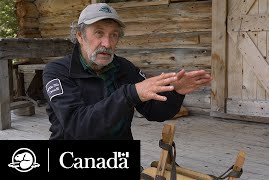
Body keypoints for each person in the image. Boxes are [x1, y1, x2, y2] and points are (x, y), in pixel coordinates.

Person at [42, 3, 212, 140]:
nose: (107, 44)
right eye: (99, 33)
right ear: (80, 36)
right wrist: (130, 94)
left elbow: (156, 112)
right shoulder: (57, 72)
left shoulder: (124, 68)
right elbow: (78, 127)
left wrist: (176, 91)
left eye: (114, 35)